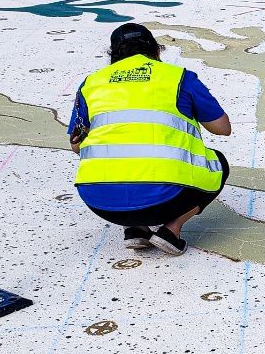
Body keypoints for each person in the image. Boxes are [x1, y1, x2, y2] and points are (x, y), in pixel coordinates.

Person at [68, 23, 231, 256]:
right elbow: (222, 128)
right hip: (166, 200)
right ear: (156, 50)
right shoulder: (178, 78)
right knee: (219, 164)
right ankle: (171, 231)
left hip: (100, 202)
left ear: (113, 55)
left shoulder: (91, 83)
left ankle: (136, 229)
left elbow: (76, 146)